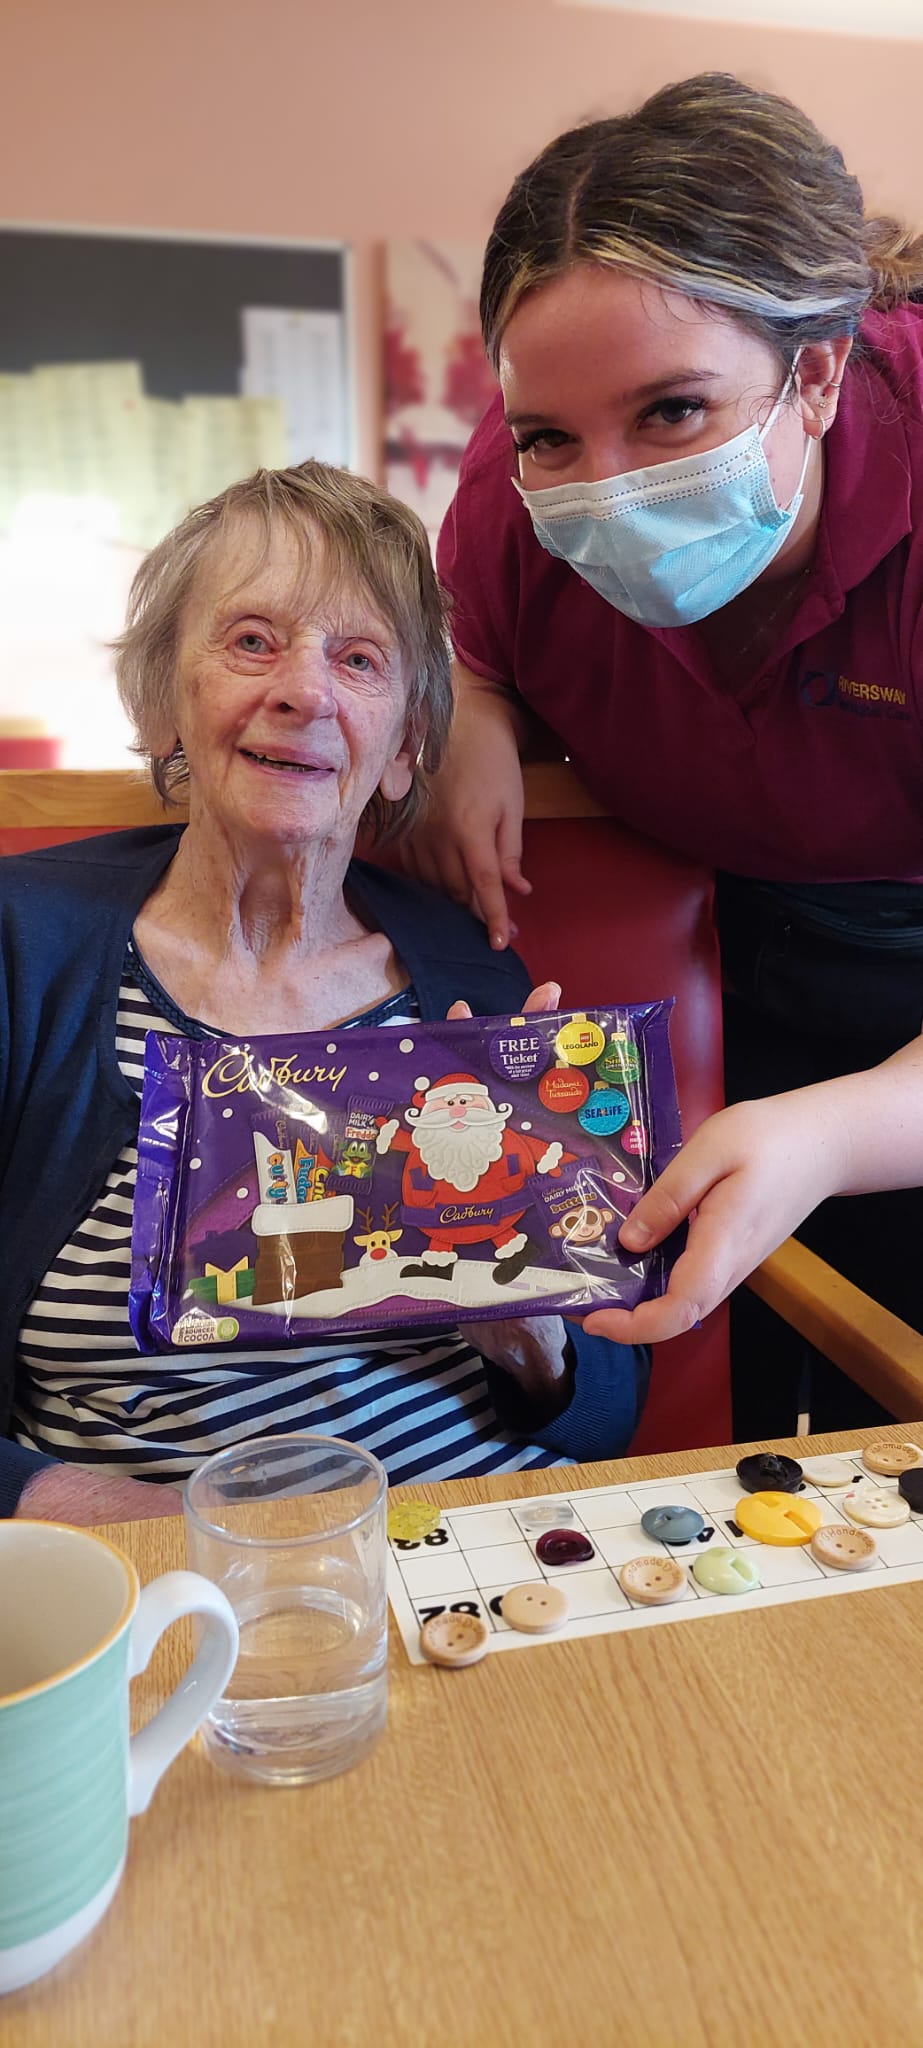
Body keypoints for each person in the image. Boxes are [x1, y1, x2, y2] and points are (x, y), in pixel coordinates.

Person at [407, 70, 923, 1432]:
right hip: (708, 954)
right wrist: (471, 711)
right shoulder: (507, 502)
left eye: (673, 413)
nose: (609, 487)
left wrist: (838, 1127)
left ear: (815, 375)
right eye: (549, 438)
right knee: (706, 1388)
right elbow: (467, 638)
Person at [0, 461, 645, 1524]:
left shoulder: (471, 980)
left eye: (358, 659)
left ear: (402, 749)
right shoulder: (26, 948)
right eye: (253, 641)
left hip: (477, 1543)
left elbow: (607, 1417)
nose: (305, 691)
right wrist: (139, 1531)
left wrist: (532, 1329)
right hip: (165, 1566)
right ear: (163, 704)